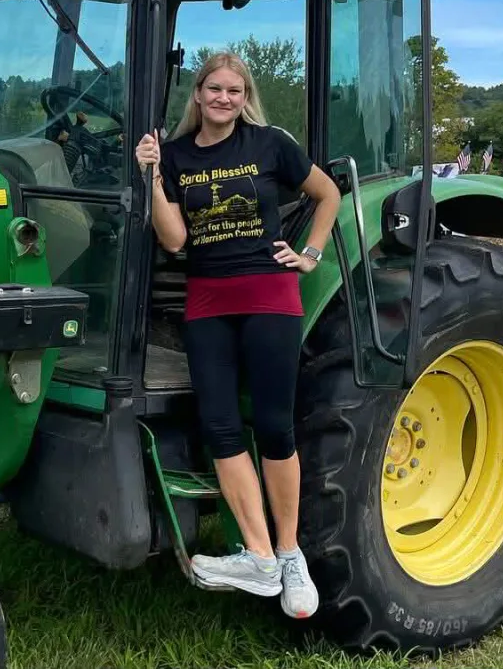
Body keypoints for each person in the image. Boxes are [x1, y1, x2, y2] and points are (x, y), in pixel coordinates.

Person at [134, 52, 341, 619]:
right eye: (214, 89)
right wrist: (152, 175)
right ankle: (258, 556)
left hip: (269, 296)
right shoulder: (175, 156)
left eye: (234, 90)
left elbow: (328, 195)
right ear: (197, 95)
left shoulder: (269, 142)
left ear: (243, 96)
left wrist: (310, 255)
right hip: (208, 301)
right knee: (221, 425)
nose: (224, 98)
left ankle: (290, 551)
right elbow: (175, 239)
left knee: (274, 424)